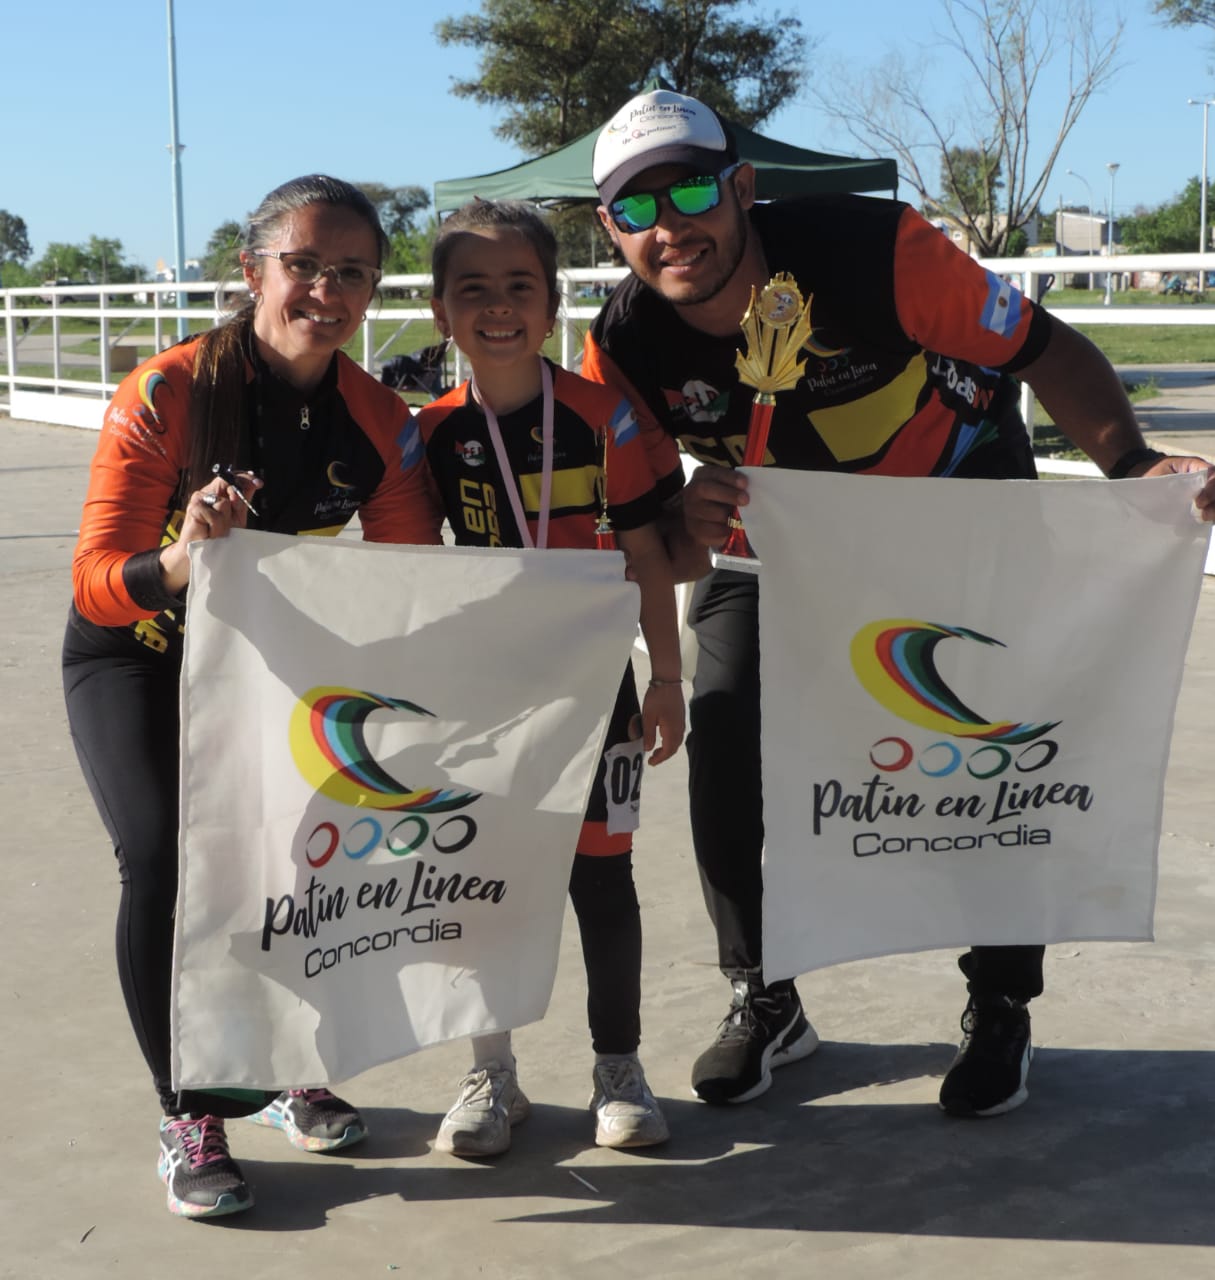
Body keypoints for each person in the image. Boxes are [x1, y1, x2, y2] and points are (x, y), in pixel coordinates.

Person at [581, 89, 1215, 1117]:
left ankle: (999, 1001)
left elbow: (1044, 349)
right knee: (725, 722)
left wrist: (1130, 462)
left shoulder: (875, 250)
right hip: (777, 539)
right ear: (609, 227)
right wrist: (689, 520)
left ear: (742, 187)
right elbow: (656, 538)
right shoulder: (621, 342)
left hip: (951, 499)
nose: (670, 227)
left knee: (987, 739)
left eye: (691, 192)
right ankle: (763, 991)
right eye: (635, 209)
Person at [62, 175, 442, 1219]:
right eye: (303, 265)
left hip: (269, 666)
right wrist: (184, 558)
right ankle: (187, 1109)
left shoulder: (378, 419)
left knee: (298, 858)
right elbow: (95, 582)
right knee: (161, 857)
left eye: (352, 272)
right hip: (136, 655)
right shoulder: (167, 393)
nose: (327, 290)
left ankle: (280, 1068)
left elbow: (410, 573)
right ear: (251, 270)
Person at [414, 198, 685, 1156]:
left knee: (601, 881)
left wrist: (665, 679)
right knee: (479, 881)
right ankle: (491, 1073)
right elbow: (405, 572)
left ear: (552, 301)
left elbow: (646, 554)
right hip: (481, 699)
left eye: (519, 286)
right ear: (440, 310)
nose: (498, 307)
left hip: (596, 688)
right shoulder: (427, 433)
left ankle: (619, 1068)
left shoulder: (601, 416)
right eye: (472, 289)